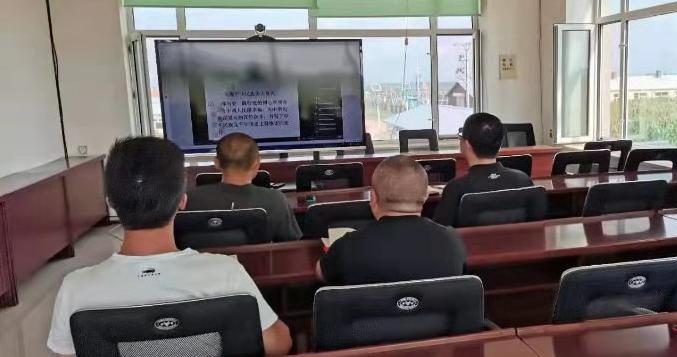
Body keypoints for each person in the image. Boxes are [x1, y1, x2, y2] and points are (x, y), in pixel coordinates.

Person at [47, 137, 292, 357]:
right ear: (182, 200)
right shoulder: (227, 272)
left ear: (110, 202)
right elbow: (278, 345)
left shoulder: (75, 287)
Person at [316, 155, 466, 285]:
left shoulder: (348, 245)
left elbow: (320, 274)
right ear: (425, 196)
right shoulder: (451, 240)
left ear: (373, 198)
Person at [185, 132, 301, 241]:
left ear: (217, 162)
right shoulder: (276, 200)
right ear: (257, 163)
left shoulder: (189, 200)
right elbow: (291, 245)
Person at [433, 112, 533, 227]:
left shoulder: (455, 189)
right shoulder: (523, 180)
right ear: (500, 144)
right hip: (516, 239)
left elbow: (439, 232)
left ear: (467, 144)